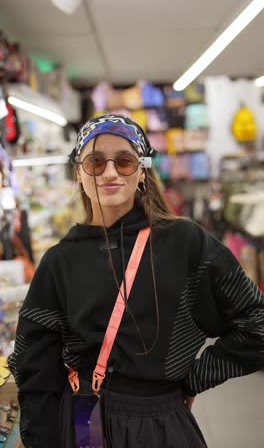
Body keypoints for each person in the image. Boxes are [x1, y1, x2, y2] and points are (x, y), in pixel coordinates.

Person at [8, 114, 264, 448]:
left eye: (125, 161)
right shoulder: (60, 261)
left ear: (142, 170)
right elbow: (34, 366)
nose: (110, 172)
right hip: (83, 426)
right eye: (95, 162)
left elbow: (257, 323)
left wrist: (193, 380)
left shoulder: (185, 243)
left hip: (160, 427)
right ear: (79, 174)